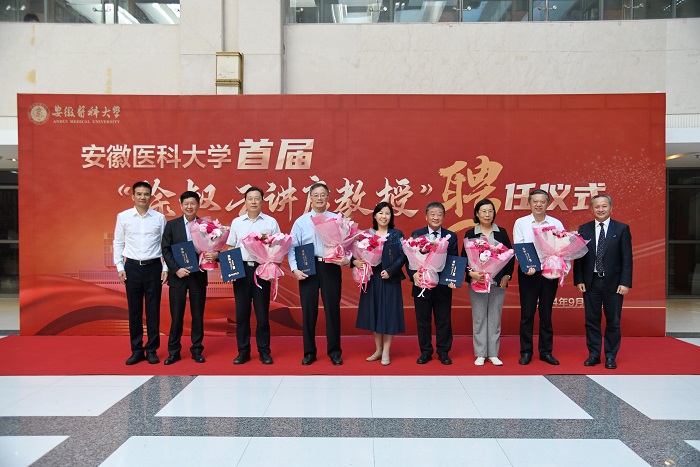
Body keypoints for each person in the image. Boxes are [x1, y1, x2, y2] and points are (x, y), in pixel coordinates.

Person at [288, 182, 348, 366]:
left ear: (328, 197)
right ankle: (309, 352)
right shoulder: (301, 222)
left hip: (330, 266)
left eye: (323, 195)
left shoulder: (337, 219)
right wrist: (295, 269)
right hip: (308, 266)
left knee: (332, 309)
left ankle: (334, 352)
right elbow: (292, 247)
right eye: (316, 195)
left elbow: (347, 243)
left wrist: (345, 258)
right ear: (310, 198)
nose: (319, 198)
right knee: (308, 311)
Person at [574, 194, 632, 370]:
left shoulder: (621, 229)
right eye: (597, 206)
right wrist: (579, 279)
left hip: (613, 283)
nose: (601, 209)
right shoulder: (584, 229)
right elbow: (579, 256)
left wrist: (625, 282)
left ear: (611, 208)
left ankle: (610, 355)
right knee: (591, 320)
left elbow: (627, 258)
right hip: (591, 282)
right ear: (592, 209)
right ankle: (593, 354)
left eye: (604, 206)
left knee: (613, 321)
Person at [223, 186, 280, 365]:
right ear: (245, 201)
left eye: (257, 198)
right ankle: (243, 351)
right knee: (242, 313)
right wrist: (230, 270)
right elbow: (231, 247)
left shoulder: (270, 222)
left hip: (261, 270)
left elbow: (278, 247)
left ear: (262, 201)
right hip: (241, 271)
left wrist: (273, 268)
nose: (254, 202)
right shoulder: (237, 222)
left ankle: (264, 351)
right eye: (250, 198)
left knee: (262, 314)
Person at [113, 181, 167, 365]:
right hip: (132, 268)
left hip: (153, 268)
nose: (142, 197)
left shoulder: (159, 218)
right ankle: (136, 350)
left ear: (151, 196)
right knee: (134, 311)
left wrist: (165, 268)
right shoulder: (123, 217)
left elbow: (164, 245)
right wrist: (120, 266)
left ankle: (152, 350)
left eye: (146, 194)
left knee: (153, 311)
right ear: (133, 196)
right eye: (139, 194)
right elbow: (118, 242)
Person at [512, 189, 565, 366]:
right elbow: (519, 247)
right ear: (529, 203)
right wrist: (527, 265)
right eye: (535, 201)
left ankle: (546, 351)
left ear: (548, 203)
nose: (538, 204)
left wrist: (562, 268)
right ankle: (526, 351)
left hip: (550, 272)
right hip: (529, 273)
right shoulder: (521, 223)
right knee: (527, 313)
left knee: (546, 313)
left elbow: (563, 246)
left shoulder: (556, 223)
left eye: (542, 201)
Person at [462, 199, 515, 366]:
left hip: (497, 282)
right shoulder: (471, 233)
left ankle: (493, 353)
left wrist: (507, 276)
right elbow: (464, 259)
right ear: (477, 214)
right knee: (479, 318)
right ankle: (480, 353)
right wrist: (471, 273)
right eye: (483, 211)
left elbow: (510, 256)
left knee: (494, 318)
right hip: (477, 281)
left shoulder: (501, 232)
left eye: (490, 211)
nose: (487, 214)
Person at [353, 202, 407, 366]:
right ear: (375, 215)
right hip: (372, 278)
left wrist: (391, 270)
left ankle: (386, 351)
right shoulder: (366, 235)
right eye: (381, 213)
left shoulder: (396, 234)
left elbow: (404, 255)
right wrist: (356, 262)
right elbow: (354, 253)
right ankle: (378, 349)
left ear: (391, 217)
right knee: (375, 313)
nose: (384, 216)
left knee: (389, 314)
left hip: (390, 278)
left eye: (387, 213)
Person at [407, 201, 459, 365]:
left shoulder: (451, 236)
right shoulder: (417, 234)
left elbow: (453, 260)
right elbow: (409, 258)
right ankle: (425, 352)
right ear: (426, 216)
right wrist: (413, 275)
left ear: (444, 217)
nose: (436, 217)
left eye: (439, 214)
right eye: (433, 214)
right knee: (423, 319)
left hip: (443, 285)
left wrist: (453, 279)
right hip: (421, 283)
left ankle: (443, 352)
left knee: (443, 319)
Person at [161, 191, 208, 365]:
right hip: (178, 277)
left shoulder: (206, 226)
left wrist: (212, 255)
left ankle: (197, 350)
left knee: (197, 314)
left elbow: (211, 248)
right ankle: (174, 351)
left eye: (193, 203)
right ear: (181, 205)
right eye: (186, 204)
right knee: (176, 315)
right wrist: (175, 270)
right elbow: (165, 249)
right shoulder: (172, 225)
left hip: (198, 275)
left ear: (198, 205)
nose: (189, 207)